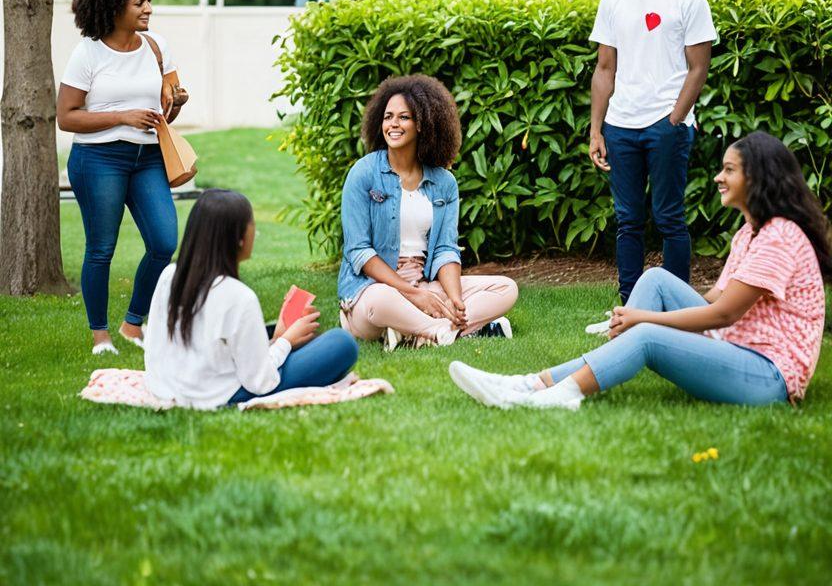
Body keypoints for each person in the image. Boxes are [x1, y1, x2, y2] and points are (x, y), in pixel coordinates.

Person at [449, 131, 829, 411]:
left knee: (646, 335)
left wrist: (642, 319)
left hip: (769, 377)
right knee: (655, 278)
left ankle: (555, 395)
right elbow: (716, 297)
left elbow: (725, 313)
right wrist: (640, 317)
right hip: (734, 349)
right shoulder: (751, 231)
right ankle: (531, 383)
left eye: (729, 170)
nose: (718, 177)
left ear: (758, 178)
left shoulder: (780, 235)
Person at [588, 0, 717, 301]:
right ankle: (629, 307)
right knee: (627, 221)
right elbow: (604, 68)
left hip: (666, 125)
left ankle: (678, 308)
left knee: (668, 218)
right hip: (621, 125)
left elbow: (699, 67)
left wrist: (675, 118)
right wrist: (597, 128)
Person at [338, 74, 518, 349]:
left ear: (424, 123)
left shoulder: (444, 183)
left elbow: (446, 249)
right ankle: (441, 329)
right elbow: (358, 251)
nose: (393, 124)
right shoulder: (363, 173)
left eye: (404, 117)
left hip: (423, 285)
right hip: (371, 289)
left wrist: (455, 298)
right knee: (380, 300)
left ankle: (423, 329)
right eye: (387, 117)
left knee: (506, 289)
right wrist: (410, 293)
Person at [58, 0, 182, 355]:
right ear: (114, 7)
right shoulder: (88, 54)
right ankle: (100, 336)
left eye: (149, 0)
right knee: (101, 248)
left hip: (148, 158)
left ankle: (132, 325)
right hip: (98, 161)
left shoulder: (157, 46)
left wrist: (176, 102)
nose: (148, 9)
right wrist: (122, 116)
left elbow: (167, 110)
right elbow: (66, 117)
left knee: (164, 242)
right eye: (139, 3)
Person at [145, 189, 358, 408]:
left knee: (283, 332)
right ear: (238, 239)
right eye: (252, 225)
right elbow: (260, 382)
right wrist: (285, 342)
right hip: (220, 394)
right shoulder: (239, 297)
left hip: (168, 386)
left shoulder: (170, 275)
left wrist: (276, 339)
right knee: (341, 343)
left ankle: (278, 336)